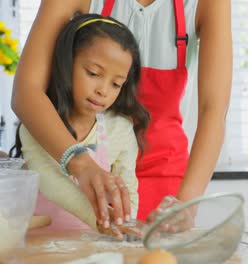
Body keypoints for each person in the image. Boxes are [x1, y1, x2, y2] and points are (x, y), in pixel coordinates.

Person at [12, 0, 232, 227]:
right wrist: (82, 164)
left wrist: (186, 204)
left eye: (117, 83)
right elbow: (26, 91)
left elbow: (214, 111)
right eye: (93, 72)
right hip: (76, 169)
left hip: (165, 183)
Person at [10, 13, 149, 234]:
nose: (103, 90)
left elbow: (127, 188)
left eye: (116, 84)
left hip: (92, 248)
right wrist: (100, 220)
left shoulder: (120, 130)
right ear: (66, 64)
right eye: (93, 73)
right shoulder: (38, 124)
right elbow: (50, 181)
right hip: (40, 243)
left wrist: (125, 225)